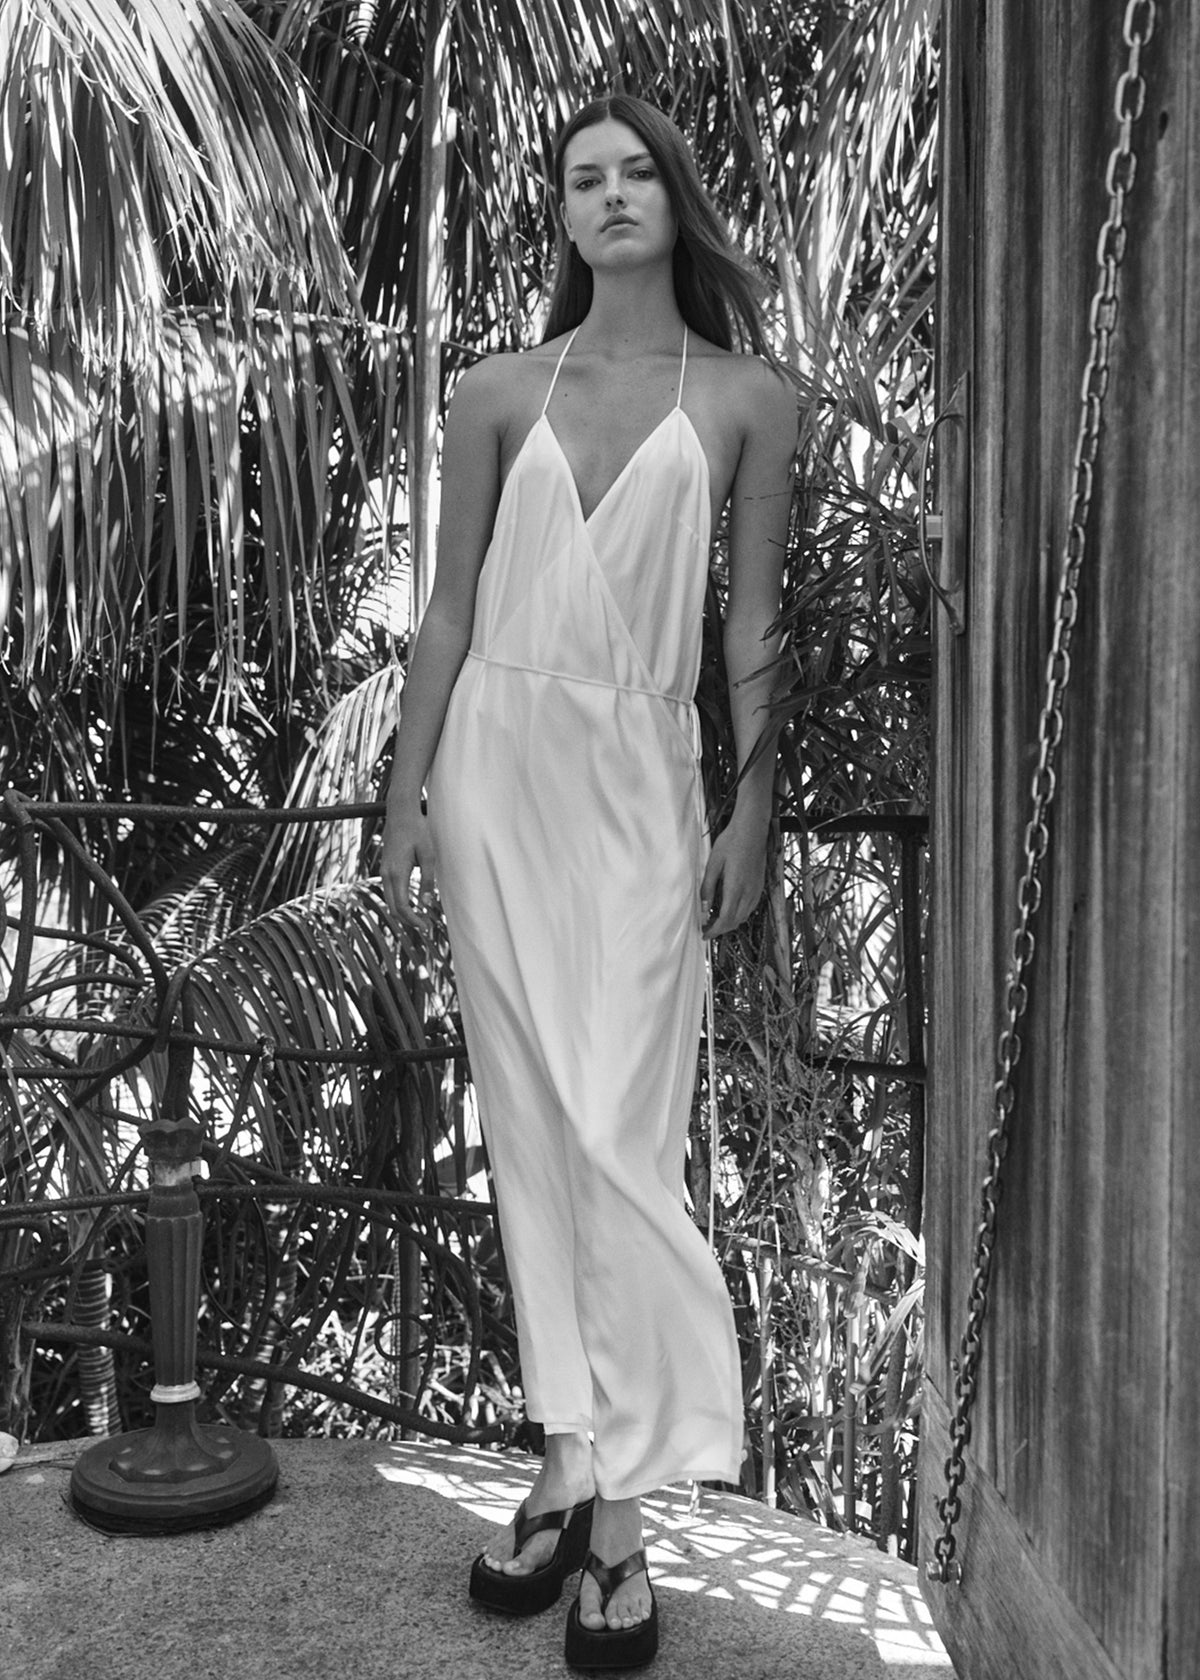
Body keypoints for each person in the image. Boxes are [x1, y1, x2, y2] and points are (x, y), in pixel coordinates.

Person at [381, 93, 796, 1671]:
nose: (611, 195)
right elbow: (445, 613)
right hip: (498, 771)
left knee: (624, 1129)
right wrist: (409, 797)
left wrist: (752, 810)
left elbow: (751, 628)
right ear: (560, 213)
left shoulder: (748, 399)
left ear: (676, 200)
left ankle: (611, 1489)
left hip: (640, 782)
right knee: (540, 1134)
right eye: (582, 178)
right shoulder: (498, 389)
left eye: (636, 174)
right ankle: (585, 1480)